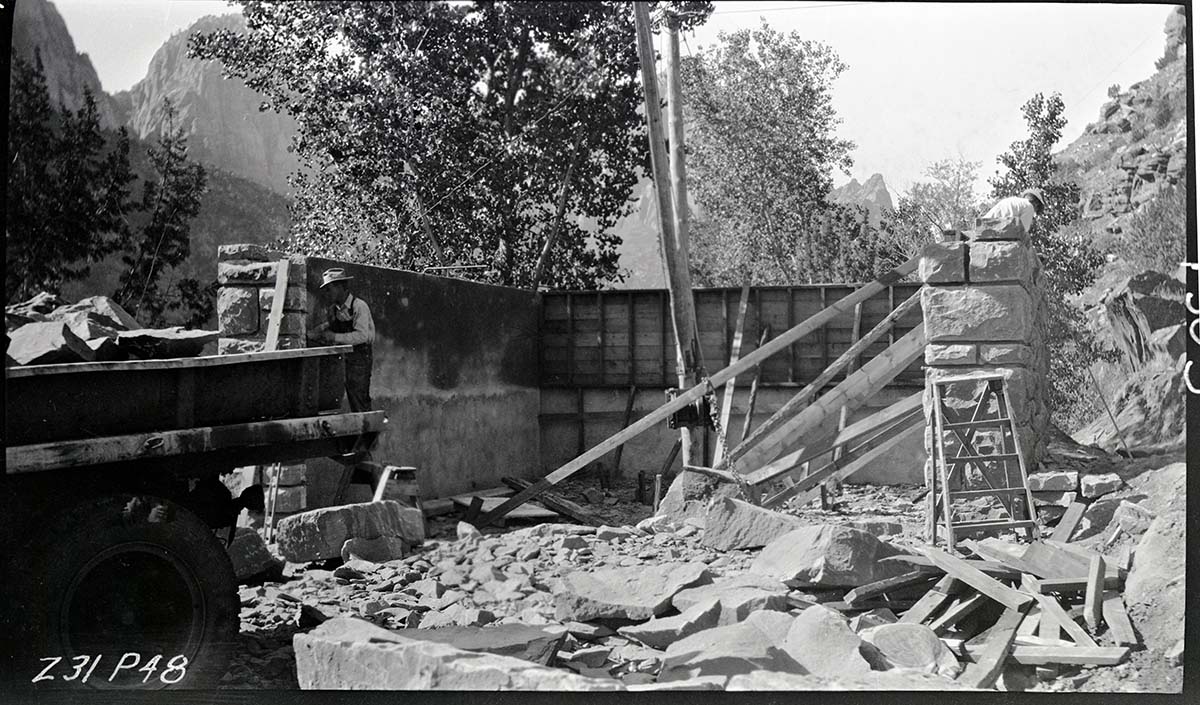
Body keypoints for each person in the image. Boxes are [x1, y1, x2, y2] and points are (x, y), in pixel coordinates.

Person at [308, 267, 376, 412]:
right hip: (342, 360)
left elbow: (362, 336)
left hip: (360, 358)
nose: (327, 293)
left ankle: (367, 432)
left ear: (341, 287)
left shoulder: (359, 306)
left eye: (330, 289)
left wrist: (334, 337)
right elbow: (331, 326)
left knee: (359, 397)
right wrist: (318, 332)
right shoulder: (334, 310)